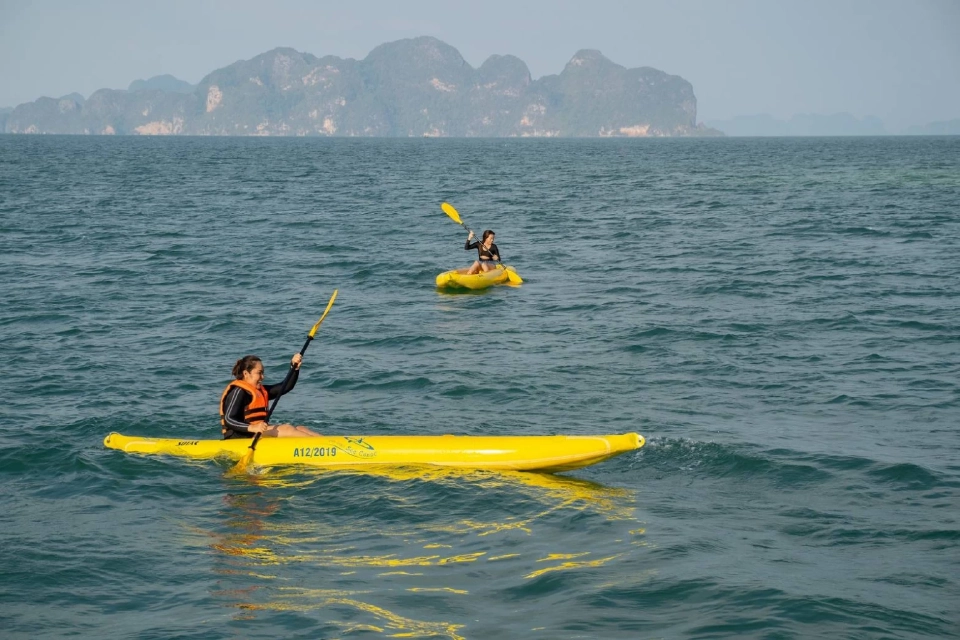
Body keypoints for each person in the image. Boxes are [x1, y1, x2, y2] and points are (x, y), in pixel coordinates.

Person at [219, 353, 322, 439]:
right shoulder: (238, 392)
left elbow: (285, 387)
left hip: (255, 434)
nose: (262, 377)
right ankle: (321, 447)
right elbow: (229, 419)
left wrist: (294, 368)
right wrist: (252, 428)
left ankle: (329, 444)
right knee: (287, 429)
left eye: (263, 373)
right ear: (246, 374)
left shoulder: (260, 391)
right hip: (239, 438)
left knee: (301, 428)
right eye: (259, 373)